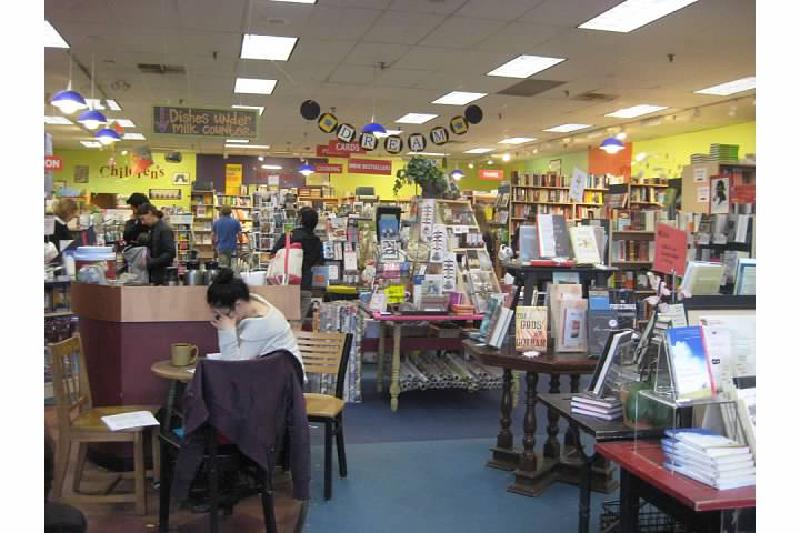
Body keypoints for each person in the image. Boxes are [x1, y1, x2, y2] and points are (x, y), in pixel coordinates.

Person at [206, 269, 304, 373]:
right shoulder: (253, 303)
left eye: (224, 315)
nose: (222, 319)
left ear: (238, 305)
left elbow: (234, 368)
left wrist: (227, 331)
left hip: (287, 382)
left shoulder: (261, 324)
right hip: (276, 374)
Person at [270, 207, 323, 319]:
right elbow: (319, 261)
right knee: (298, 323)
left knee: (284, 320)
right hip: (305, 284)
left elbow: (273, 254)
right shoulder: (316, 241)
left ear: (300, 220)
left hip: (286, 283)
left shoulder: (289, 236)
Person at [137, 203, 176, 285]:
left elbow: (170, 253)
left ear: (150, 213)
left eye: (143, 219)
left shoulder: (164, 229)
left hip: (162, 276)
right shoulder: (153, 228)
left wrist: (151, 262)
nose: (142, 222)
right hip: (156, 275)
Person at [212, 205, 242, 270]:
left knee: (223, 267)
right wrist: (241, 244)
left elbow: (213, 236)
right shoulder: (235, 222)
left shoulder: (216, 222)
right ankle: (232, 279)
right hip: (233, 248)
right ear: (230, 212)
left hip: (221, 248)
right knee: (233, 267)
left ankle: (224, 279)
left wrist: (214, 246)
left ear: (221, 212)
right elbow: (240, 235)